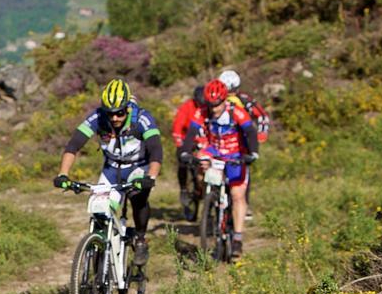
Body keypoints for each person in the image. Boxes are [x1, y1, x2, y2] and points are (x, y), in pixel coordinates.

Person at [52, 79, 163, 269]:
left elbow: (156, 150)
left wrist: (150, 177)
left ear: (127, 108)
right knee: (99, 210)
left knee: (138, 196)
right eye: (110, 113)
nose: (115, 118)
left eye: (120, 113)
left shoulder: (142, 118)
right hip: (112, 169)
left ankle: (140, 239)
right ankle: (100, 254)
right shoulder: (97, 117)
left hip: (138, 167)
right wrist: (63, 174)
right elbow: (74, 145)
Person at [179, 78, 259, 260]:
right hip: (214, 150)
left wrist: (253, 153)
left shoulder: (236, 112)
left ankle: (237, 237)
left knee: (237, 195)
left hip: (235, 153)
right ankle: (208, 198)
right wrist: (184, 152)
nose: (213, 109)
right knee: (199, 160)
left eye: (217, 104)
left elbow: (250, 132)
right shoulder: (202, 111)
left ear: (224, 100)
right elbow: (191, 133)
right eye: (210, 104)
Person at [218, 69, 269, 219]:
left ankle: (243, 204)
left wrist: (259, 135)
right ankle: (215, 200)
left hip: (242, 141)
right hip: (222, 140)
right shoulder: (218, 100)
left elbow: (262, 116)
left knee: (242, 171)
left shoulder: (244, 100)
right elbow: (262, 116)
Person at [171, 85, 205, 220]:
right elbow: (177, 127)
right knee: (183, 161)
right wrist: (180, 144)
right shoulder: (187, 107)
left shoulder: (209, 109)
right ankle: (184, 188)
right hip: (187, 140)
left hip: (203, 141)